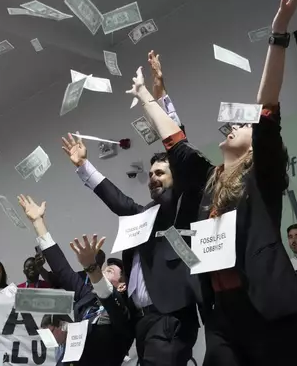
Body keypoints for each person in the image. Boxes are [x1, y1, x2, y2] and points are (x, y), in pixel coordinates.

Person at [125, 0, 297, 365]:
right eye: (232, 125)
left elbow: (267, 106)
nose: (233, 127)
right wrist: (146, 96)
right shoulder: (207, 179)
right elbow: (175, 142)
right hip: (220, 314)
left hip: (264, 307)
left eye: (242, 126)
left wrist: (278, 33)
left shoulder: (261, 177)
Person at [60, 53, 199, 366]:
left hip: (171, 317)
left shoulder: (178, 207)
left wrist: (160, 96)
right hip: (142, 322)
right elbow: (119, 201)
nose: (153, 178)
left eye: (160, 173)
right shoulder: (143, 216)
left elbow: (180, 153)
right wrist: (83, 165)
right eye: (150, 175)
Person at [17, 194, 134, 365]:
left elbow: (107, 295)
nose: (103, 272)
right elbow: (62, 269)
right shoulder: (87, 296)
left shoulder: (124, 312)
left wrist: (91, 267)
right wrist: (38, 223)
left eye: (109, 270)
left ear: (122, 285)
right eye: (103, 269)